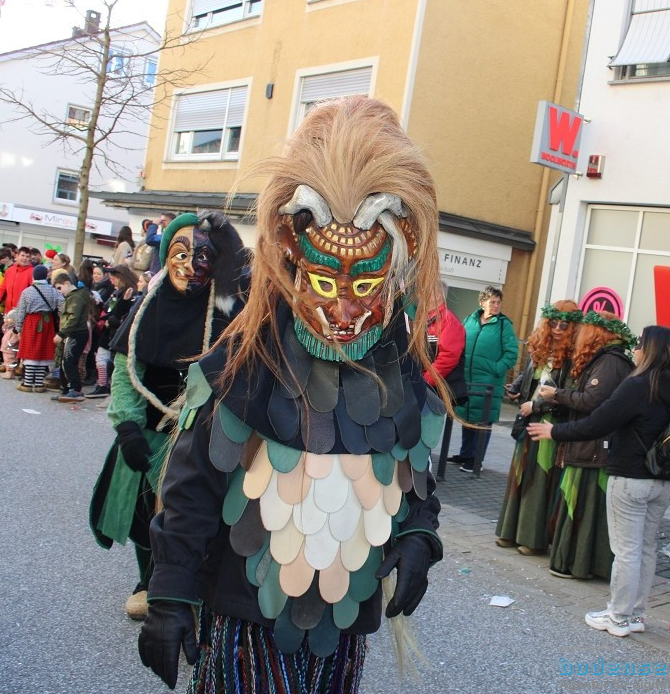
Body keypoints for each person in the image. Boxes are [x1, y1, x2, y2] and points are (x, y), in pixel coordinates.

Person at [136, 97, 443, 693]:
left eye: (368, 285)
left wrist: (417, 536)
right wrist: (170, 594)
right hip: (245, 617)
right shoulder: (244, 367)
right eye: (326, 282)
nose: (346, 308)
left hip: (344, 623)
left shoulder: (402, 374)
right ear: (296, 265)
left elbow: (415, 478)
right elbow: (191, 486)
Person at [89, 210, 247, 622]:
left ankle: (192, 584)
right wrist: (127, 426)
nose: (190, 266)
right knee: (146, 511)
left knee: (202, 511)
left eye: (204, 257)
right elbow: (128, 369)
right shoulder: (149, 307)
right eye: (181, 253)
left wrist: (229, 243)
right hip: (154, 429)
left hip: (207, 431)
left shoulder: (229, 311)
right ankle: (149, 581)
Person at [528, 325, 670, 638]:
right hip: (664, 481)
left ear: (649, 349)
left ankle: (618, 616)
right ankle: (636, 615)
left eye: (639, 344)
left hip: (630, 477)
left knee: (626, 550)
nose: (635, 350)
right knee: (645, 548)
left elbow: (599, 421)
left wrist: (555, 432)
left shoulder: (638, 384)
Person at [542, 309, 634, 579]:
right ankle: (574, 562)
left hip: (592, 449)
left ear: (598, 333)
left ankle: (577, 564)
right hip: (589, 445)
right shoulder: (607, 359)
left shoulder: (610, 362)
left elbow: (592, 401)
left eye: (585, 330)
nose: (579, 334)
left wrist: (558, 394)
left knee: (583, 506)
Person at [494, 300, 581, 556]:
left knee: (540, 479)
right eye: (552, 323)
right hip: (528, 421)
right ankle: (511, 531)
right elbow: (528, 376)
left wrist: (537, 406)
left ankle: (532, 538)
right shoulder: (542, 348)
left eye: (563, 324)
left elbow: (568, 396)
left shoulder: (575, 357)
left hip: (550, 425)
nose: (556, 328)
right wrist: (517, 390)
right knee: (520, 475)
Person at [455, 285, 518, 472]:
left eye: (498, 303)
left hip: (489, 383)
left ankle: (476, 461)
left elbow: (511, 353)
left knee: (483, 422)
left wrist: (496, 369)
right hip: (468, 380)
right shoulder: (470, 320)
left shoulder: (503, 325)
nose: (496, 306)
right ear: (482, 302)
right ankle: (465, 454)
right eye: (492, 302)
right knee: (467, 417)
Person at [88, 264, 137, 399]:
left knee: (105, 360)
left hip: (116, 332)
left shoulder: (128, 292)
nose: (111, 280)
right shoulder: (117, 291)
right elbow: (109, 308)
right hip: (109, 331)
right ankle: (103, 384)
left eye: (114, 278)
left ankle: (104, 385)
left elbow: (121, 314)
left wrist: (111, 319)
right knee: (103, 358)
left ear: (121, 278)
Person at [12, 264, 63, 392]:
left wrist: (18, 328)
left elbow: (20, 312)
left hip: (32, 322)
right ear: (46, 275)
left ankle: (28, 383)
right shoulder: (53, 291)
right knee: (43, 351)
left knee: (30, 350)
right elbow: (62, 306)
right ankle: (39, 384)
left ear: (33, 275)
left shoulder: (27, 291)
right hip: (48, 322)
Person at [52, 272, 94, 402]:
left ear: (67, 283)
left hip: (76, 333)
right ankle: (65, 389)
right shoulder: (74, 296)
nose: (59, 292)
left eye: (60, 288)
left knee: (69, 362)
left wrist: (61, 333)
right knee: (66, 362)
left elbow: (73, 318)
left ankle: (74, 389)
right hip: (73, 333)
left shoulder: (76, 298)